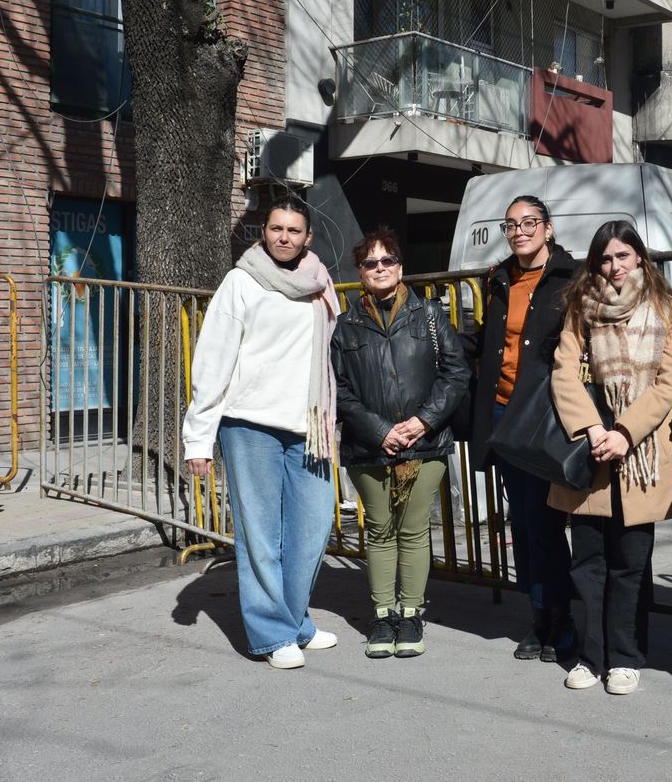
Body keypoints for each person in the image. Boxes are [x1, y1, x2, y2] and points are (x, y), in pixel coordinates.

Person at [182, 196, 340, 670]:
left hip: (309, 427)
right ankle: (272, 634)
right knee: (261, 535)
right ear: (263, 232)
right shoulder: (242, 281)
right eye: (276, 229)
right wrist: (198, 437)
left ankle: (294, 621)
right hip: (250, 424)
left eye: (294, 230)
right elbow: (212, 361)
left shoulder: (319, 284)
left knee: (312, 530)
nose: (285, 237)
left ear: (308, 237)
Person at [550, 220, 672, 696]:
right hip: (589, 450)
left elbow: (670, 381)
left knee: (630, 562)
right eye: (605, 259)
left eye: (622, 257)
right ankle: (593, 656)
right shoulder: (579, 309)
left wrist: (625, 432)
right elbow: (563, 372)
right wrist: (593, 428)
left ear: (640, 260)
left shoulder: (665, 308)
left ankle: (625, 657)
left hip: (639, 451)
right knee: (587, 561)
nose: (614, 267)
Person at [331, 227, 469, 659]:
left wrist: (422, 422)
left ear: (400, 267)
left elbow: (455, 373)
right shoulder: (344, 326)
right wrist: (380, 430)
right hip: (368, 447)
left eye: (387, 260)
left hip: (424, 445)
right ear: (360, 271)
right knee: (379, 530)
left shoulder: (430, 316)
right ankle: (382, 615)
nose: (380, 269)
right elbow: (339, 389)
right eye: (371, 263)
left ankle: (410, 613)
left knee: (412, 530)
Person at [461, 195, 579, 662]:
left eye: (529, 223)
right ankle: (539, 616)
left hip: (547, 415)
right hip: (504, 413)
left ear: (548, 229)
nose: (520, 231)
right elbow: (489, 339)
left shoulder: (571, 277)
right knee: (524, 524)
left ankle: (561, 617)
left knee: (546, 522)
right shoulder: (498, 279)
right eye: (511, 225)